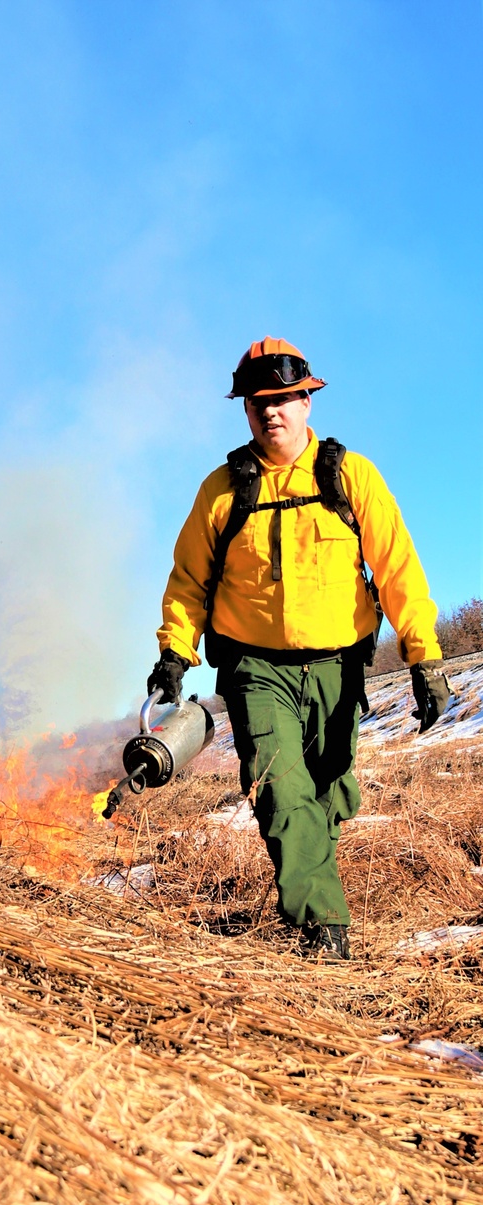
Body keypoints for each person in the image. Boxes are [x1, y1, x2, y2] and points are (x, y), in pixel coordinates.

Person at [147, 337, 450, 959]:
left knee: (329, 791)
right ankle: (322, 929)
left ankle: (312, 875)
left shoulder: (350, 476)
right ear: (246, 408)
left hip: (339, 664)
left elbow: (397, 570)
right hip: (255, 668)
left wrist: (425, 657)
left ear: (308, 400)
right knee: (281, 789)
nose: (272, 412)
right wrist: (176, 655)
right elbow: (189, 582)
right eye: (259, 402)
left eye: (285, 398)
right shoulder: (221, 491)